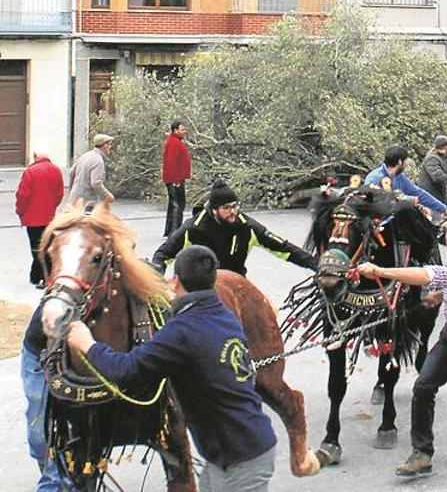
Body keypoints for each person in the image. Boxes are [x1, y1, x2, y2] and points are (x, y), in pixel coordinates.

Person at [68, 246, 279, 491]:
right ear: (213, 279)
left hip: (240, 459)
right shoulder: (221, 314)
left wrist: (88, 345)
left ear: (176, 281)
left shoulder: (182, 331)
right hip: (240, 448)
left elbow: (127, 370)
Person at [356, 215, 447, 477]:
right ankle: (421, 453)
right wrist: (443, 294)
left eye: (443, 232)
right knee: (423, 388)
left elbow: (426, 275)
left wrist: (380, 271)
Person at [152, 180, 316, 276]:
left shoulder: (247, 226)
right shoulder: (193, 229)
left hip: (236, 285)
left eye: (235, 206)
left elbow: (283, 248)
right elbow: (163, 254)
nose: (233, 212)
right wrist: (157, 272)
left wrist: (315, 264)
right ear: (214, 210)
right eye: (227, 208)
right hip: (200, 289)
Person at [22, 306, 77, 491]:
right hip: (40, 349)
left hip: (87, 353)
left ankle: (58, 478)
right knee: (38, 434)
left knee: (71, 429)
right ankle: (51, 467)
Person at [16, 151, 64, 288]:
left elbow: (23, 196)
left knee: (37, 248)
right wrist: (52, 206)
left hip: (32, 219)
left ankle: (42, 277)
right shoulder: (56, 170)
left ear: (35, 157)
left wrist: (20, 211)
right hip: (49, 217)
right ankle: (36, 276)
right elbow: (59, 193)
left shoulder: (30, 171)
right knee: (47, 246)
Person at [364, 145, 447, 216]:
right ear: (400, 162)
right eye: (406, 161)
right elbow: (373, 203)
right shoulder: (374, 178)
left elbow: (418, 193)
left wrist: (442, 208)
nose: (406, 164)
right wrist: (408, 200)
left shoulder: (399, 177)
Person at [162, 120, 191, 237]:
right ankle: (175, 232)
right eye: (182, 129)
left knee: (174, 204)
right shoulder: (174, 143)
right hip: (175, 179)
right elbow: (171, 162)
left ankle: (171, 230)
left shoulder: (175, 141)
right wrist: (176, 180)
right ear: (175, 130)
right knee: (178, 204)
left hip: (175, 178)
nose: (184, 131)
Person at [68, 134, 115, 204]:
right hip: (86, 203)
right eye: (110, 144)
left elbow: (71, 173)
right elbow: (96, 183)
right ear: (105, 145)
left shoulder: (84, 156)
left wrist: (72, 191)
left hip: (73, 200)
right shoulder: (98, 161)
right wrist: (108, 196)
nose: (110, 147)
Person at [418, 136, 447, 204]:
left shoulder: (443, 159)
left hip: (437, 198)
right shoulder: (432, 158)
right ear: (444, 147)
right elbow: (438, 178)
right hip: (430, 198)